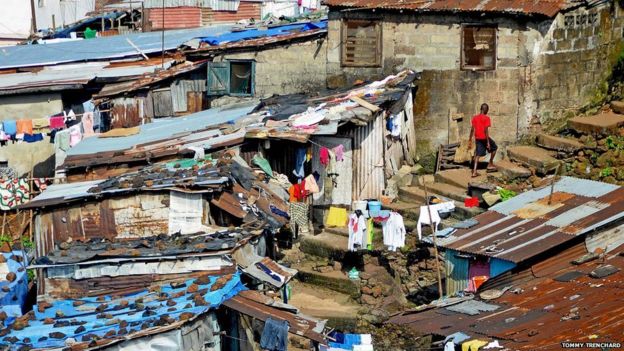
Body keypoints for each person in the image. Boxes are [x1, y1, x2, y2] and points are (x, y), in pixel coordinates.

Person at [468, 103, 497, 177]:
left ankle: (474, 171)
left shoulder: (475, 117)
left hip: (477, 138)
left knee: (477, 155)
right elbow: (485, 130)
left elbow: (472, 129)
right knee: (495, 148)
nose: (487, 111)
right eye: (487, 110)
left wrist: (470, 139)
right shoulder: (486, 118)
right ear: (485, 109)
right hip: (484, 138)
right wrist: (488, 142)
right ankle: (490, 163)